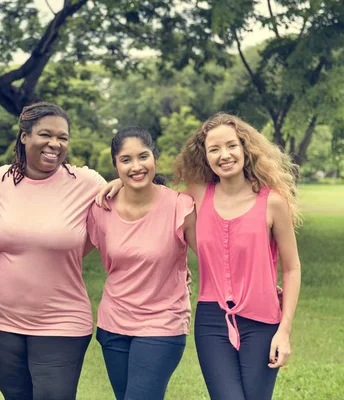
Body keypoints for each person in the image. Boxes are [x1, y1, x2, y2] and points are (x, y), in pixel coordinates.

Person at [97, 113, 302, 400]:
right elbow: (153, 195)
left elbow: (292, 268)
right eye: (214, 149)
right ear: (205, 157)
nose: (225, 155)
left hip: (263, 321)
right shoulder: (195, 197)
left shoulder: (273, 203)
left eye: (231, 146)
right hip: (212, 321)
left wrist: (284, 330)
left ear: (245, 148)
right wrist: (121, 184)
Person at [0, 102, 106, 400]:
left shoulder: (88, 184)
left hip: (62, 320)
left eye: (62, 137)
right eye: (45, 134)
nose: (55, 144)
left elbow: (128, 211)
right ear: (24, 136)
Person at [86, 126, 196, 400]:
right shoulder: (101, 208)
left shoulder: (180, 206)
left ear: (155, 158)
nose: (136, 166)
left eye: (143, 156)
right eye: (126, 160)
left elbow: (213, 254)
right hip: (113, 325)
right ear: (115, 166)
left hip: (163, 323)